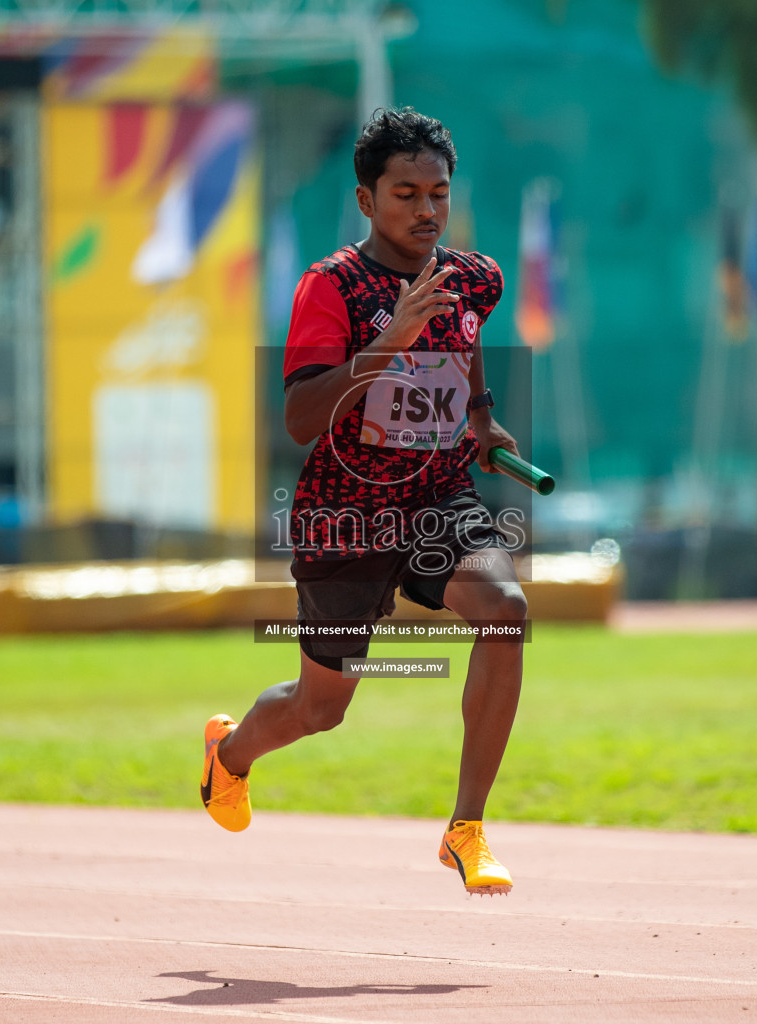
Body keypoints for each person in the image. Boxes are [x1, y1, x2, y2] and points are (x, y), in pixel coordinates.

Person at [200, 107, 527, 895]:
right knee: (321, 710)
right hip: (346, 513)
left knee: (506, 608)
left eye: (439, 193)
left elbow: (468, 340)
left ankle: (467, 829)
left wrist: (479, 419)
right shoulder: (332, 286)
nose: (426, 210)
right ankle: (230, 753)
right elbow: (302, 416)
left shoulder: (473, 278)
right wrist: (390, 342)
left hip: (438, 495)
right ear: (366, 200)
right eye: (406, 193)